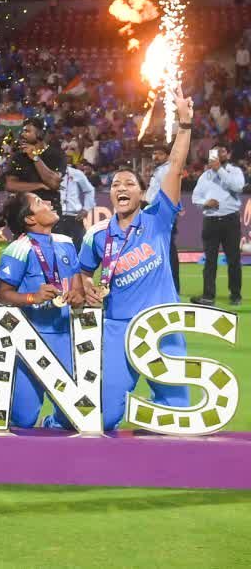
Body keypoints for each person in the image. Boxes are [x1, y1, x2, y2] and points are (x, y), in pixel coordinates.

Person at [79, 89, 193, 430]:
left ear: (142, 194)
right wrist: (87, 287)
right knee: (104, 416)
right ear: (111, 194)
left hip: (161, 324)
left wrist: (185, 124)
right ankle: (60, 421)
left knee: (176, 417)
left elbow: (175, 167)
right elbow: (83, 273)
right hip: (118, 327)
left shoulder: (158, 219)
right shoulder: (97, 235)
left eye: (129, 183)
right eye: (116, 184)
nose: (121, 188)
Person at [0, 192, 83, 428]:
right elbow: (2, 294)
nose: (48, 203)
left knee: (72, 416)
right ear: (30, 219)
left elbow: (77, 287)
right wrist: (32, 297)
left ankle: (50, 426)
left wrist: (77, 296)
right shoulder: (18, 249)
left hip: (65, 338)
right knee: (23, 419)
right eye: (39, 202)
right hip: (30, 338)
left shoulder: (66, 243)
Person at [190, 143, 244, 306]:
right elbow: (195, 198)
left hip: (230, 220)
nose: (219, 154)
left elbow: (238, 187)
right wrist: (205, 203)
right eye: (215, 151)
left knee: (233, 260)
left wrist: (219, 169)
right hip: (211, 222)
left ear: (228, 154)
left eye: (222, 151)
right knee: (210, 261)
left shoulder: (235, 171)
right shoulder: (205, 176)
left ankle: (235, 295)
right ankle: (208, 296)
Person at [5, 118, 65, 214]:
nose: (22, 134)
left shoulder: (56, 154)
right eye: (23, 131)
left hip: (49, 209)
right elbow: (10, 185)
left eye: (27, 131)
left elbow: (54, 183)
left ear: (40, 134)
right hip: (24, 210)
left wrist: (35, 157)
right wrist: (39, 185)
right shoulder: (18, 156)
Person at [143, 144, 180, 291]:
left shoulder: (168, 170)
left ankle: (173, 286)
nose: (155, 156)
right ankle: (161, 285)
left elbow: (168, 192)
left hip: (162, 213)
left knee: (168, 250)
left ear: (167, 155)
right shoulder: (158, 170)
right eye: (154, 153)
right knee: (157, 250)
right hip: (153, 212)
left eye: (159, 153)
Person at [56, 164, 95, 247]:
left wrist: (86, 208)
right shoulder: (47, 172)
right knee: (57, 247)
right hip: (55, 216)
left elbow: (90, 190)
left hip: (74, 217)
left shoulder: (76, 173)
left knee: (78, 247)